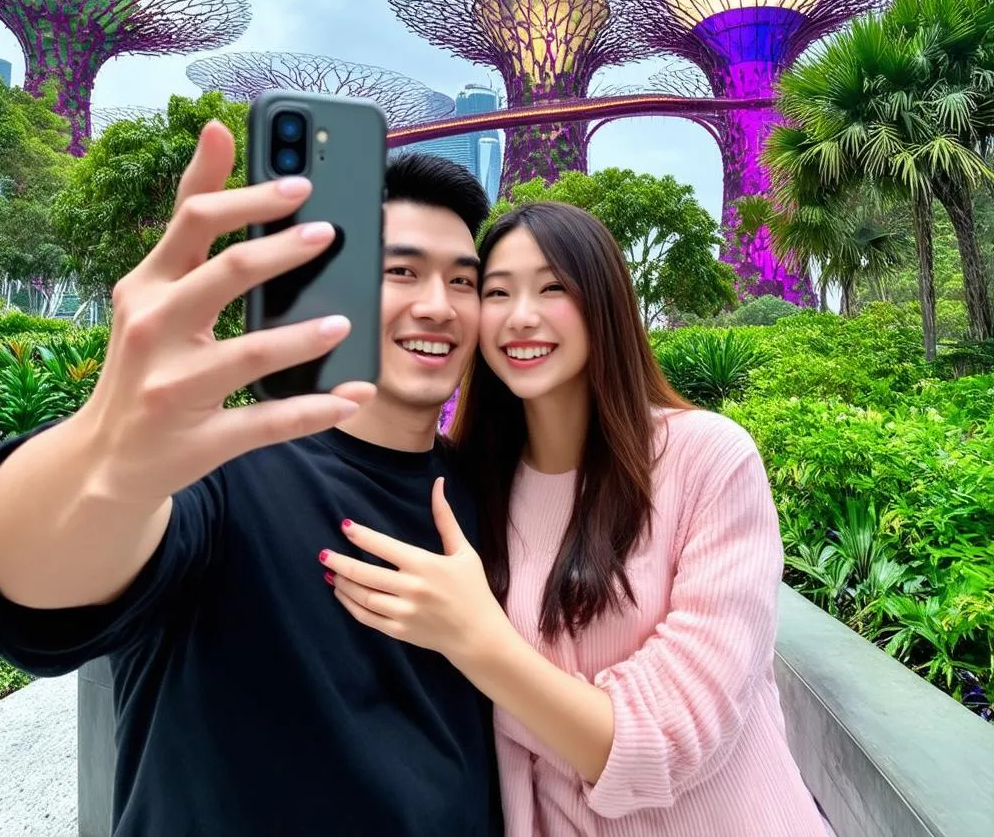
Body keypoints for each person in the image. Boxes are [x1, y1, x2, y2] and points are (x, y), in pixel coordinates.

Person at [0, 122, 503, 836]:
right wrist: (107, 452)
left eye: (463, 281)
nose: (439, 304)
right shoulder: (220, 475)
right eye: (400, 271)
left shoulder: (493, 497)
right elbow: (39, 587)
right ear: (333, 287)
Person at [322, 201, 832, 836]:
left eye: (553, 288)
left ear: (605, 303)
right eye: (497, 293)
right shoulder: (470, 489)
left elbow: (672, 735)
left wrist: (476, 639)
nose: (522, 318)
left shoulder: (706, 460)